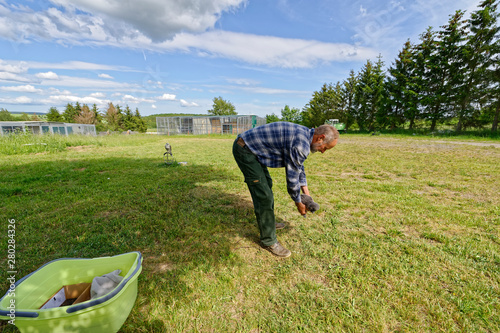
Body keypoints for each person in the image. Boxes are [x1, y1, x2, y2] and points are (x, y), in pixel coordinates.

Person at [232, 121, 339, 258]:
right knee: (263, 195)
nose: (323, 152)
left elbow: (299, 167)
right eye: (325, 148)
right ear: (321, 138)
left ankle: (268, 224)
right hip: (245, 150)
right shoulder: (301, 145)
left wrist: (307, 196)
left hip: (253, 149)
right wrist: (298, 203)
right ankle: (268, 240)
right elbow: (292, 179)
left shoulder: (305, 135)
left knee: (266, 185)